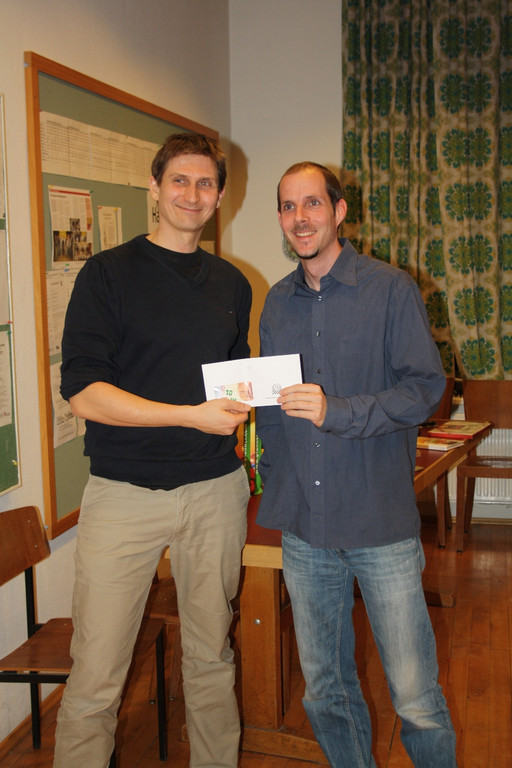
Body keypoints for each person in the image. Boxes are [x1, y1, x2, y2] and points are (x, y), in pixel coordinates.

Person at [54, 132, 252, 768]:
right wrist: (189, 416)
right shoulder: (107, 274)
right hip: (124, 496)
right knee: (96, 676)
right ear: (155, 188)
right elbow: (83, 394)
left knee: (212, 657)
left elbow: (233, 378)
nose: (192, 194)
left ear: (219, 195)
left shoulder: (232, 283)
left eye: (205, 183)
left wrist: (252, 400)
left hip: (215, 491)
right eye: (179, 181)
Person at [256, 161, 457, 768]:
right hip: (306, 531)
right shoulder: (276, 302)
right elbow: (272, 413)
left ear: (340, 211)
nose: (300, 218)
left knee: (416, 697)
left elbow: (425, 390)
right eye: (288, 206)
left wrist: (337, 411)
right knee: (326, 691)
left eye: (312, 203)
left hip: (379, 525)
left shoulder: (390, 289)